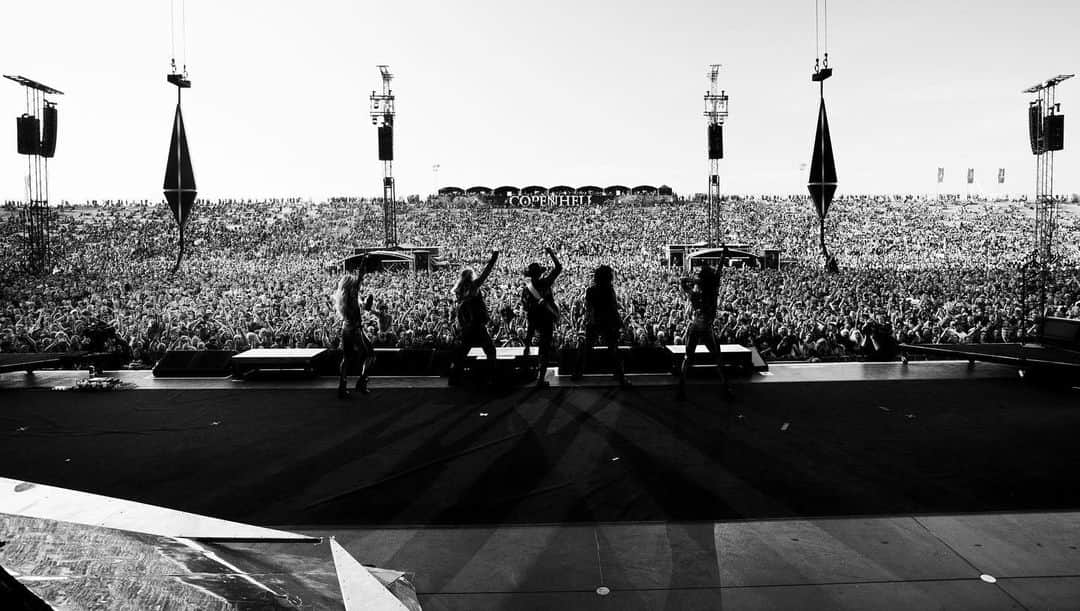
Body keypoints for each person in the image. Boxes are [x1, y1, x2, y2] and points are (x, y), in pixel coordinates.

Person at [677, 263, 729, 400]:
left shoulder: (695, 294)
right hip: (706, 328)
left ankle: (681, 389)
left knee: (687, 358)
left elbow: (682, 282)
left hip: (695, 326)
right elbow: (718, 273)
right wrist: (722, 257)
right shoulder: (712, 292)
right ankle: (726, 389)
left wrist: (694, 280)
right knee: (717, 357)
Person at [449, 249, 500, 385]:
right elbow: (486, 272)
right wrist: (494, 258)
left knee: (462, 353)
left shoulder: (459, 291)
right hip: (477, 325)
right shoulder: (473, 286)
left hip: (466, 327)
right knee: (490, 351)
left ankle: (454, 377)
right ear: (471, 277)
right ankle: (492, 378)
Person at [574, 264, 629, 386]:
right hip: (608, 322)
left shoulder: (590, 290)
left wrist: (589, 321)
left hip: (594, 322)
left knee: (587, 348)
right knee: (614, 349)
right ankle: (620, 377)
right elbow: (613, 308)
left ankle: (577, 373)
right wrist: (619, 323)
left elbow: (589, 308)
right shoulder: (609, 290)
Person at [333, 258, 375, 399]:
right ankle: (362, 381)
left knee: (346, 358)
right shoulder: (353, 293)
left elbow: (360, 304)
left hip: (346, 329)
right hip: (356, 330)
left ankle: (342, 387)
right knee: (370, 355)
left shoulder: (342, 299)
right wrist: (364, 261)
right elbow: (361, 276)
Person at [522, 246, 562, 387]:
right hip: (546, 318)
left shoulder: (527, 289)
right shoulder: (546, 282)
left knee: (528, 345)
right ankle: (540, 379)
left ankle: (525, 373)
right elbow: (558, 267)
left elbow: (525, 306)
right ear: (540, 273)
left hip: (533, 319)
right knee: (544, 349)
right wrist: (551, 253)